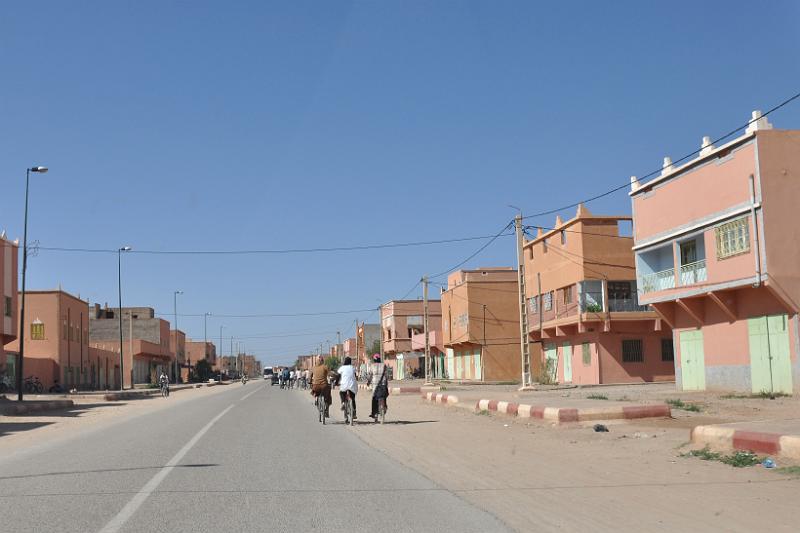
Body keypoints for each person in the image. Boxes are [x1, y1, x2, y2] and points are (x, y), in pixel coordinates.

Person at [366, 354, 389, 420]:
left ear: (374, 359)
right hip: (383, 384)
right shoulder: (384, 365)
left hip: (375, 385)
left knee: (374, 399)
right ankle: (384, 406)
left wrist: (368, 382)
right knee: (384, 396)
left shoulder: (372, 366)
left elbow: (370, 376)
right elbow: (387, 375)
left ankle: (374, 413)